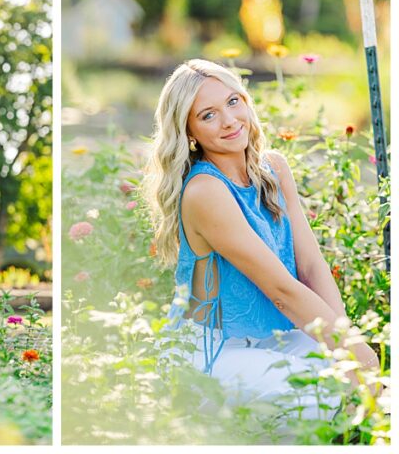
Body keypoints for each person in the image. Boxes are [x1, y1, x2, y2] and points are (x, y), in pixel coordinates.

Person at [141, 59, 379, 427]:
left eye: (233, 102)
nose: (229, 120)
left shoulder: (274, 167)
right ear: (189, 132)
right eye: (208, 115)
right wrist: (356, 359)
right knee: (324, 397)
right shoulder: (206, 191)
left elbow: (310, 267)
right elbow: (281, 289)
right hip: (213, 349)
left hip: (277, 335)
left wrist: (348, 346)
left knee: (362, 381)